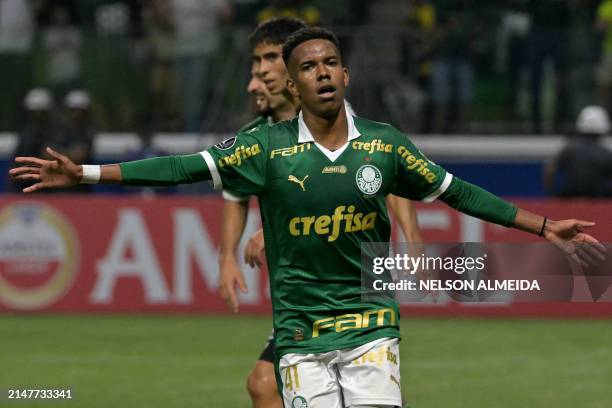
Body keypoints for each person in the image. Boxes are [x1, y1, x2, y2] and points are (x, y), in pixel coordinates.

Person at [10, 27, 603, 408]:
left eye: (332, 63)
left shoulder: (383, 144)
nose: (322, 72)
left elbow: (458, 192)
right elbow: (180, 168)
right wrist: (86, 175)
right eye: (309, 66)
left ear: (345, 75)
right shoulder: (264, 148)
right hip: (301, 338)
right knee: (259, 384)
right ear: (294, 84)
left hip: (372, 330)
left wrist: (544, 227)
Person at [219, 18, 424, 408]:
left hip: (346, 277)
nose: (257, 74)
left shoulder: (335, 120)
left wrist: (412, 238)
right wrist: (226, 255)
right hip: (309, 287)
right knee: (265, 384)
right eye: (255, 62)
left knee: (275, 381)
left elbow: (384, 175)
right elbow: (236, 195)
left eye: (268, 59)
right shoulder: (259, 133)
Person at [545, 105, 612, 197]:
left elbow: (549, 170)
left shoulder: (568, 150)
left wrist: (554, 195)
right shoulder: (606, 154)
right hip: (599, 204)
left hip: (569, 202)